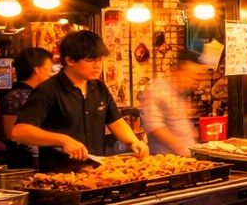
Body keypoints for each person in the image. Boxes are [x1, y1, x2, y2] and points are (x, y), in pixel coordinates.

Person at [12, 30, 149, 169]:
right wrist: (63, 140)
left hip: (97, 172)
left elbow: (116, 122)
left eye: (100, 59)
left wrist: (133, 142)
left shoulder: (99, 87)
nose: (98, 65)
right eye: (90, 60)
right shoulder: (47, 90)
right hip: (60, 176)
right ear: (69, 60)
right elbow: (19, 132)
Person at [141, 49, 208, 156]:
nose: (195, 82)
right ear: (177, 71)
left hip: (188, 155)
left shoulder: (182, 93)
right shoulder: (158, 88)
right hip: (165, 159)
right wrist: (180, 147)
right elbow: (154, 126)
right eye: (191, 76)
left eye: (197, 79)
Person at [0, 47, 53, 170]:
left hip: (46, 158)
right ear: (38, 69)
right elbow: (11, 133)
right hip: (25, 163)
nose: (50, 74)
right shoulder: (14, 97)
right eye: (49, 69)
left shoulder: (44, 94)